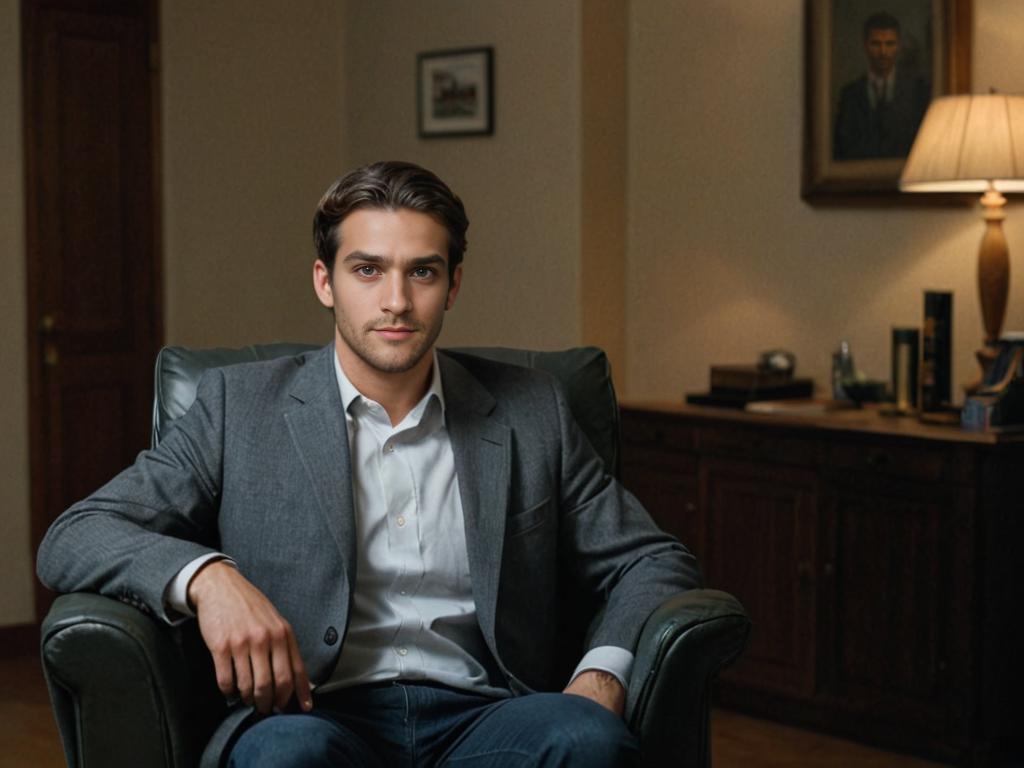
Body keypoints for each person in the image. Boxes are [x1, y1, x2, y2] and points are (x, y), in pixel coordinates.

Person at [37, 160, 701, 768]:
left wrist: (604, 672)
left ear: (453, 284)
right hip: (308, 715)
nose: (396, 301)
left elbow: (651, 558)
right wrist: (208, 578)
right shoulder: (238, 407)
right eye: (367, 269)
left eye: (422, 271)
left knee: (591, 741)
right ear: (325, 281)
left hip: (489, 717)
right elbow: (76, 534)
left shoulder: (533, 410)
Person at [833, 11, 931, 160]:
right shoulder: (850, 95)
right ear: (865, 45)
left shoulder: (918, 90)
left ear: (898, 45)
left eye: (890, 44)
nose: (883, 52)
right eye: (876, 44)